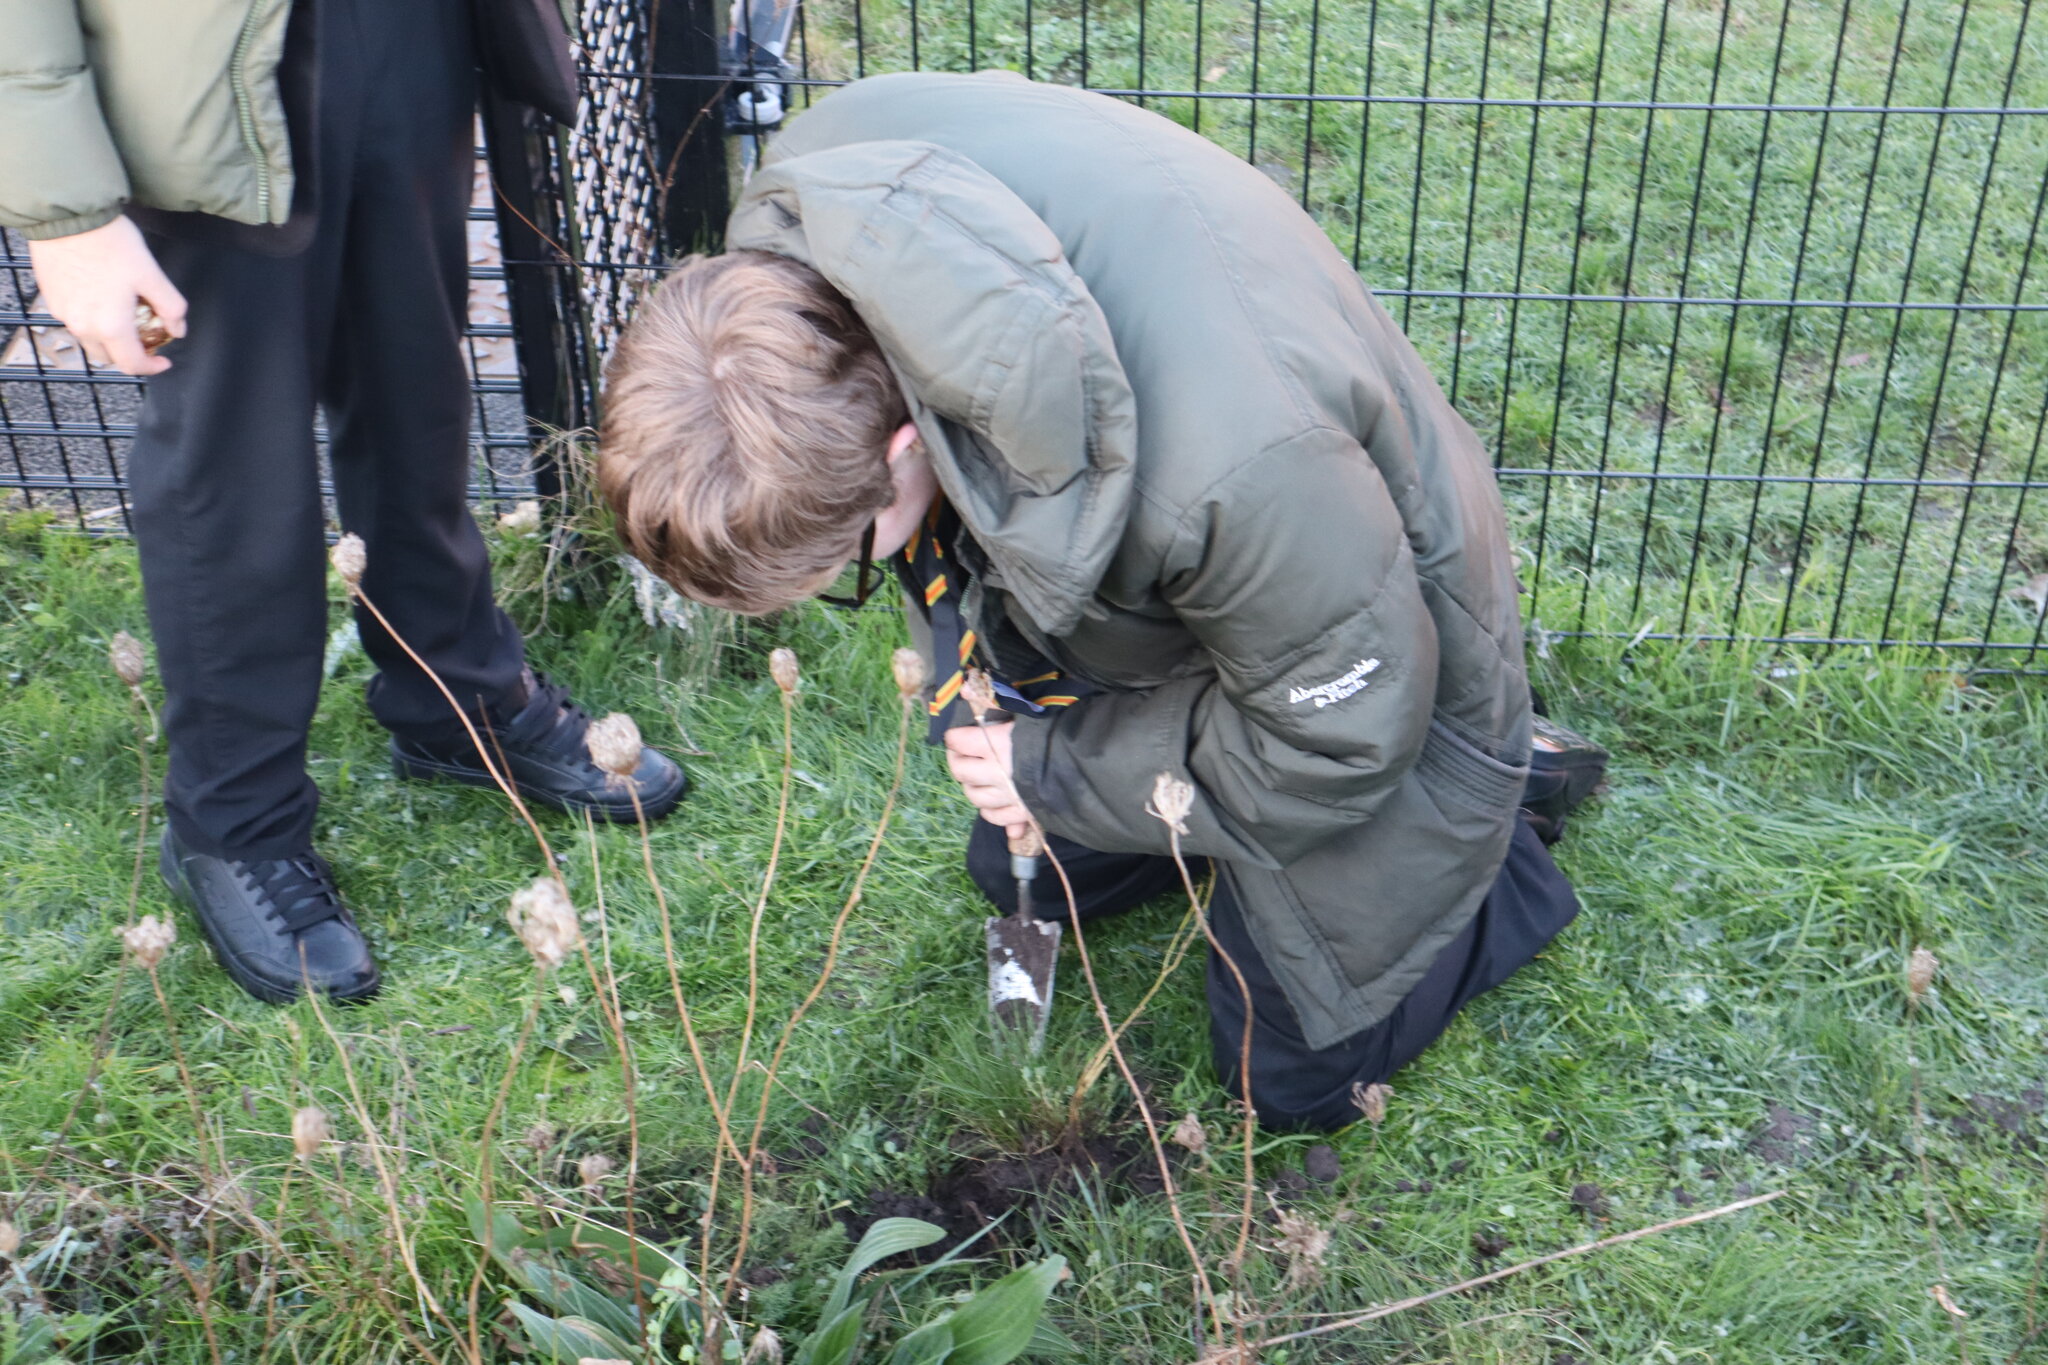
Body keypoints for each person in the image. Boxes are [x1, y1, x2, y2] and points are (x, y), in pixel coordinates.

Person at [597, 71, 1606, 1130]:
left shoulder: (1240, 471)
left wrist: (1047, 766)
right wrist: (1005, 726)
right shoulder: (801, 246)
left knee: (1290, 1079)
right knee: (1016, 863)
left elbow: (1343, 735)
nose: (847, 585)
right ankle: (1230, 796)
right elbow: (944, 540)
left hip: (1367, 631)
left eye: (844, 562)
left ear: (905, 449)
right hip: (1174, 528)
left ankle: (1492, 813)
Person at [1, 0, 687, 1005]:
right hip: (196, 68)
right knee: (237, 458)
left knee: (416, 382)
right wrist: (67, 215)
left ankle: (452, 696)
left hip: (410, 31)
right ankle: (235, 818)